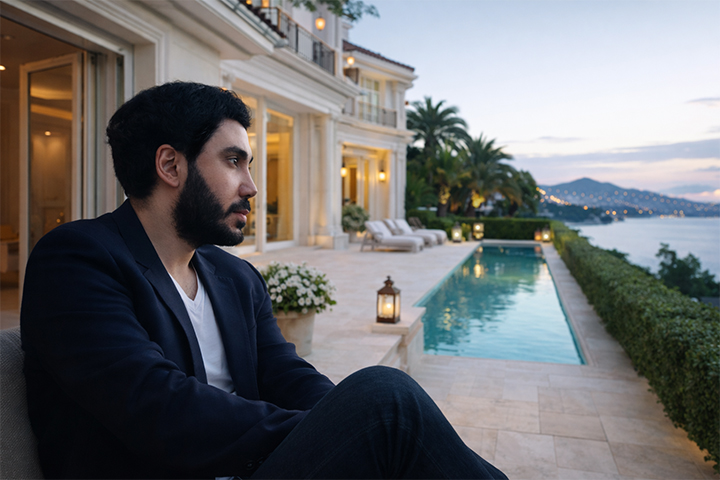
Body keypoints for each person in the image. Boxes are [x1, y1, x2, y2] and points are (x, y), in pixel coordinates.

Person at [21, 82, 507, 479]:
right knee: (387, 400)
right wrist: (334, 430)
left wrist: (338, 427)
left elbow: (285, 373)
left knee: (382, 414)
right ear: (170, 165)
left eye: (248, 164)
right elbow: (157, 409)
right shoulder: (78, 259)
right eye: (233, 161)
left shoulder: (235, 277)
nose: (251, 186)